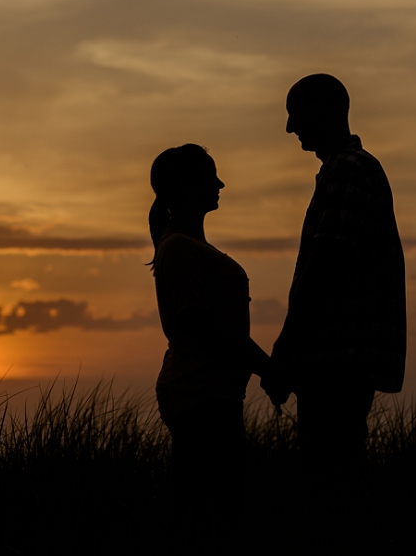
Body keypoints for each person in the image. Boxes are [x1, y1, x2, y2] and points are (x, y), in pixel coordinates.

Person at [262, 74, 407, 494]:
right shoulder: (346, 170)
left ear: (325, 111)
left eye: (296, 114)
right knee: (337, 472)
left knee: (330, 479)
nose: (290, 127)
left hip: (337, 358)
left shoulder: (347, 171)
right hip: (341, 356)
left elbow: (325, 267)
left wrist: (286, 349)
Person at [149, 143, 272, 541]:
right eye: (209, 175)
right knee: (208, 517)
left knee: (212, 512)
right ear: (186, 184)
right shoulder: (181, 249)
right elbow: (202, 326)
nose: (220, 183)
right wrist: (267, 367)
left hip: (210, 394)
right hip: (200, 396)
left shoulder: (187, 247)